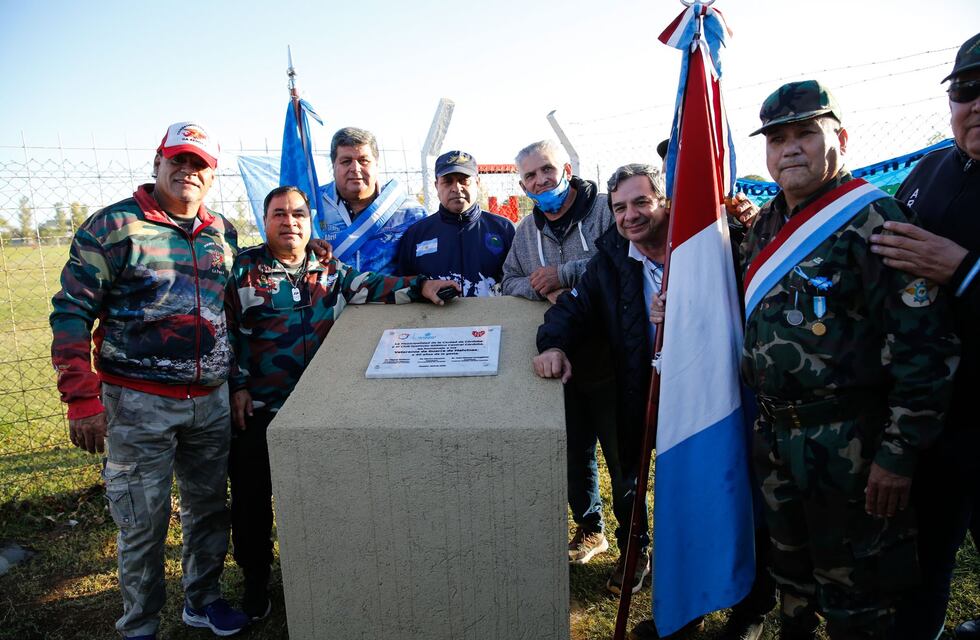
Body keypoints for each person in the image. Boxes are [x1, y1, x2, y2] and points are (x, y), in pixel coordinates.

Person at [740, 81, 959, 638]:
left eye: (806, 134)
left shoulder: (872, 218)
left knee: (857, 596)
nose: (790, 148)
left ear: (839, 137)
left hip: (852, 448)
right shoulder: (764, 225)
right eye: (778, 138)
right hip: (776, 437)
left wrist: (898, 455)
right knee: (792, 576)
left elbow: (923, 346)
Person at [535, 164, 774, 640]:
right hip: (660, 404)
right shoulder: (611, 261)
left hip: (725, 398)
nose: (630, 216)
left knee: (740, 502)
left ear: (665, 202)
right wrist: (552, 345)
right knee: (680, 504)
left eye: (642, 202)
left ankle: (751, 610)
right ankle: (688, 610)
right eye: (620, 207)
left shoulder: (711, 248)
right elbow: (572, 308)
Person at [49, 122, 251, 639]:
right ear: (158, 161)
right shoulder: (114, 227)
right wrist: (81, 398)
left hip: (209, 403)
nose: (188, 171)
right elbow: (71, 313)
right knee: (142, 520)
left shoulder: (221, 232)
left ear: (211, 175)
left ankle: (202, 600)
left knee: (209, 509)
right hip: (138, 405)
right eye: (178, 160)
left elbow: (230, 310)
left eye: (199, 164)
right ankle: (139, 623)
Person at [226, 186, 458, 621]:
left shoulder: (327, 269)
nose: (289, 222)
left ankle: (327, 569)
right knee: (252, 500)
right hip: (259, 410)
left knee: (324, 496)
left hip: (317, 410)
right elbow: (227, 331)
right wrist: (237, 385)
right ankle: (255, 578)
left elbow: (371, 286)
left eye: (298, 214)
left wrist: (423, 285)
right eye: (279, 214)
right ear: (265, 220)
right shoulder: (242, 271)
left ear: (310, 221)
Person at [869, 32, 980, 639]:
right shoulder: (930, 170)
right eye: (968, 89)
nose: (978, 103)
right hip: (935, 419)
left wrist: (965, 271)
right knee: (923, 567)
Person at [503, 140, 626, 578]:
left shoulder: (605, 212)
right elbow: (509, 281)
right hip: (561, 357)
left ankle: (637, 546)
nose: (541, 182)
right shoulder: (524, 232)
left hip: (613, 355)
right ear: (522, 184)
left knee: (622, 456)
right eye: (531, 177)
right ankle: (591, 528)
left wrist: (566, 275)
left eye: (547, 171)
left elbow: (619, 259)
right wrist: (540, 287)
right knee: (575, 452)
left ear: (567, 168)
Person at [396, 150, 515, 295]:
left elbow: (517, 280)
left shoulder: (504, 229)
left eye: (464, 180)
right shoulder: (416, 234)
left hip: (493, 317)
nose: (456, 188)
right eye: (447, 181)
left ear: (477, 183)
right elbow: (404, 285)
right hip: (434, 317)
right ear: (436, 186)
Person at [315, 126, 427, 274]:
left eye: (363, 161)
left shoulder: (411, 213)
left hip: (389, 295)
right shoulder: (310, 207)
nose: (355, 168)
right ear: (333, 166)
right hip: (328, 297)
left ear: (376, 164)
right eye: (346, 161)